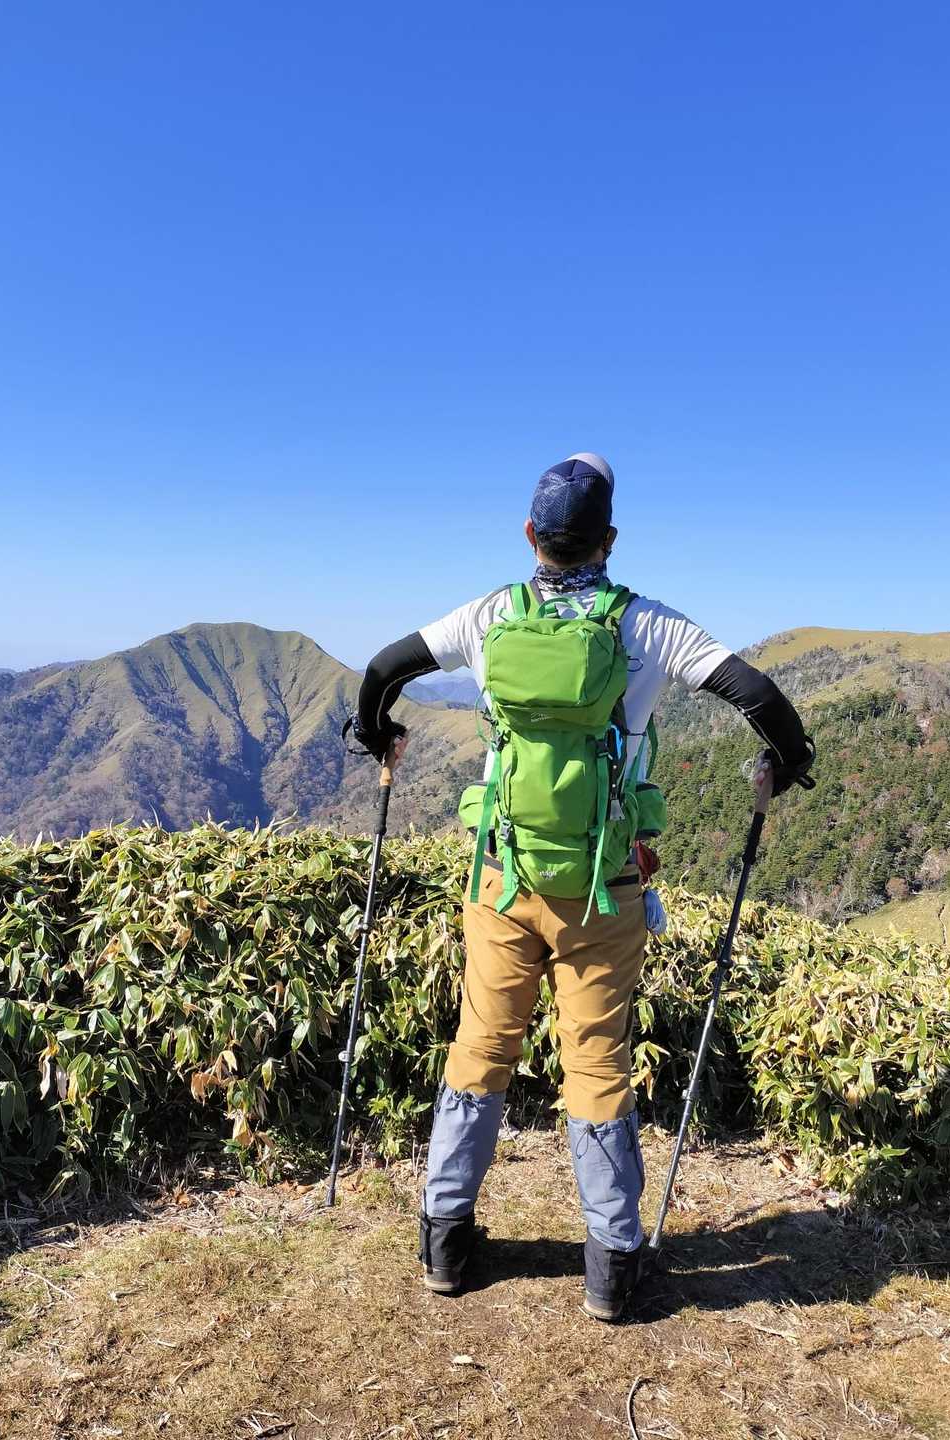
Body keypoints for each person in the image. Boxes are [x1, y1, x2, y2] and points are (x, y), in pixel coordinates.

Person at [351, 453, 814, 1321]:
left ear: (531, 534)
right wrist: (787, 763)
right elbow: (754, 692)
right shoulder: (645, 626)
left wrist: (378, 734)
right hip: (603, 886)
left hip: (502, 875)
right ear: (610, 539)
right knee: (596, 1060)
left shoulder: (491, 616)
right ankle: (611, 1265)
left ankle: (445, 1243)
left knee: (482, 1046)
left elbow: (384, 669)